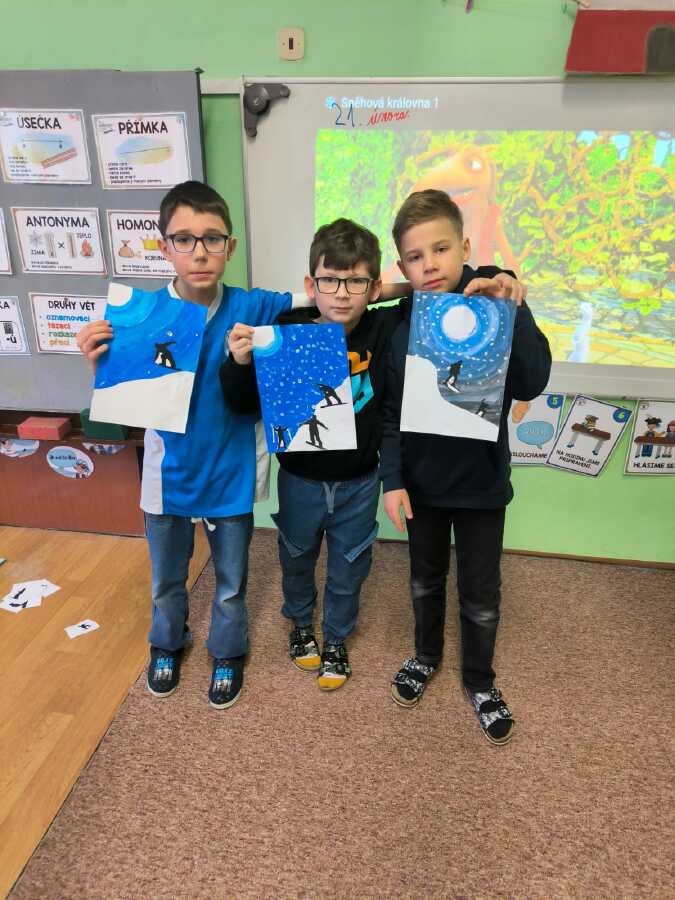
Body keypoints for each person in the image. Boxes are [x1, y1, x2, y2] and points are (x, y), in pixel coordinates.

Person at [221, 218, 524, 691]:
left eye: (357, 282)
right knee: (296, 557)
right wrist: (239, 364)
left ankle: (335, 638)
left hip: (360, 481)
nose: (342, 294)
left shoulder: (385, 327)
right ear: (310, 286)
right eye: (329, 281)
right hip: (299, 479)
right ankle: (300, 624)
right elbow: (243, 405)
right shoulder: (285, 331)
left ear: (375, 287)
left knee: (350, 565)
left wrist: (489, 277)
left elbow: (434, 293)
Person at [76, 180, 314, 711]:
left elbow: (333, 292)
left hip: (230, 469)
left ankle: (228, 650)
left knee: (230, 581)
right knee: (167, 577)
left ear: (231, 246)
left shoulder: (252, 305)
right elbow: (123, 395)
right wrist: (100, 367)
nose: (199, 252)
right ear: (164, 248)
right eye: (184, 239)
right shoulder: (139, 318)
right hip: (168, 472)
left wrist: (438, 284)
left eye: (212, 238)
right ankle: (167, 642)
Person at [380, 189, 549, 745]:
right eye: (415, 256)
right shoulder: (401, 325)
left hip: (481, 486)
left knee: (480, 593)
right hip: (422, 486)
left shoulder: (497, 304)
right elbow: (390, 413)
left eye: (441, 249)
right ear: (402, 265)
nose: (429, 264)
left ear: (465, 248)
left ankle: (480, 680)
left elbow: (532, 381)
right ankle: (426, 655)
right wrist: (393, 480)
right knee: (424, 580)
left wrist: (515, 308)